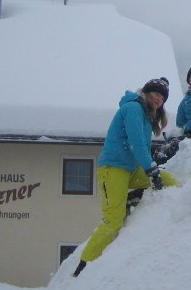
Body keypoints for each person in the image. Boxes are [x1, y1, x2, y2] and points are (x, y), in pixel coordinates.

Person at [73, 77, 178, 277]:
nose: (158, 99)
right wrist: (150, 169)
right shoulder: (133, 109)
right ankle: (84, 266)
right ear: (147, 93)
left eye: (162, 97)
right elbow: (136, 143)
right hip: (113, 168)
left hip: (131, 170)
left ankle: (136, 199)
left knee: (168, 180)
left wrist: (152, 170)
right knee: (113, 220)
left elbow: (141, 148)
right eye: (155, 94)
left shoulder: (146, 115)